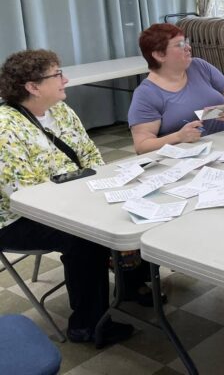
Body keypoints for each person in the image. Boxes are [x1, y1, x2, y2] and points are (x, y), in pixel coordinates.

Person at [0, 49, 134, 346]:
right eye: (57, 74)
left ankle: (132, 289)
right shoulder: (4, 127)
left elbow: (90, 154)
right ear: (32, 87)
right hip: (17, 218)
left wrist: (99, 188)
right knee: (85, 237)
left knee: (132, 209)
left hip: (72, 197)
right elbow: (23, 194)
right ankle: (87, 325)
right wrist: (83, 200)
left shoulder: (60, 110)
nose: (66, 79)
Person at [128, 23, 224, 154]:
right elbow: (142, 146)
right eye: (180, 45)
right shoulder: (146, 94)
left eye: (186, 42)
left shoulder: (200, 66)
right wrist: (178, 137)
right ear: (159, 55)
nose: (188, 47)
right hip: (193, 159)